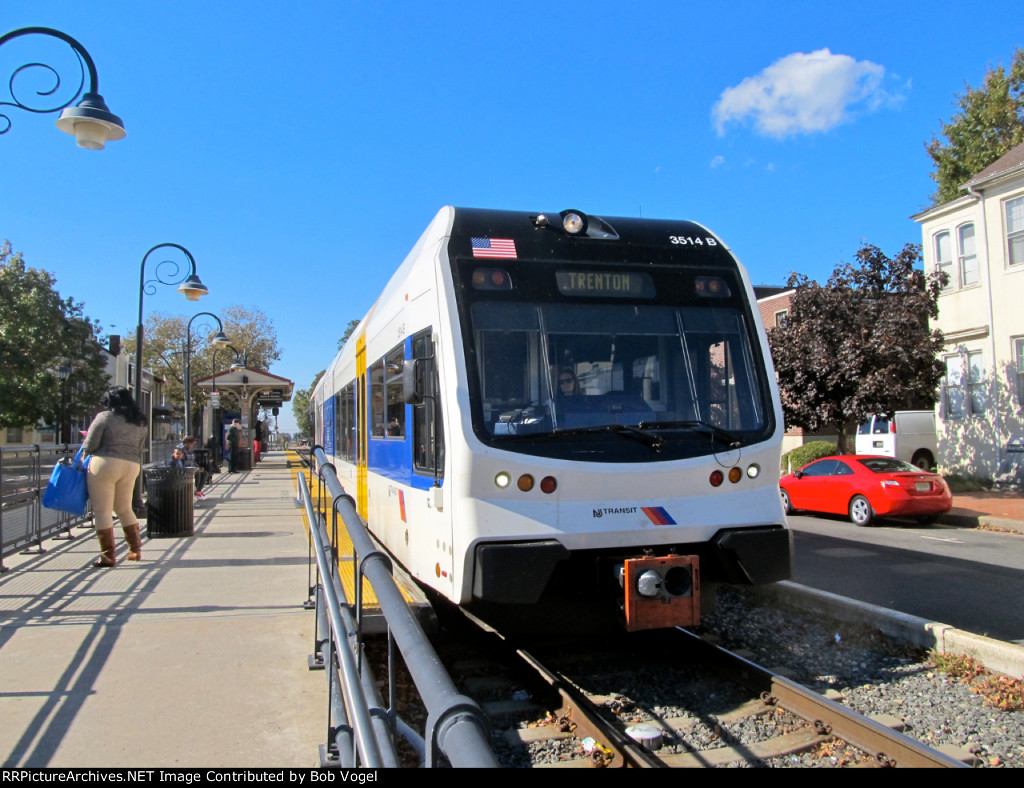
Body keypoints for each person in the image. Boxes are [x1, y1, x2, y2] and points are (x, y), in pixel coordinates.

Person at [81, 387, 148, 568]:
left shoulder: (105, 417)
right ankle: (135, 550)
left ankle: (108, 555)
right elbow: (140, 446)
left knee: (102, 511)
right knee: (125, 508)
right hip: (131, 465)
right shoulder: (140, 421)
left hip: (105, 463)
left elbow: (91, 444)